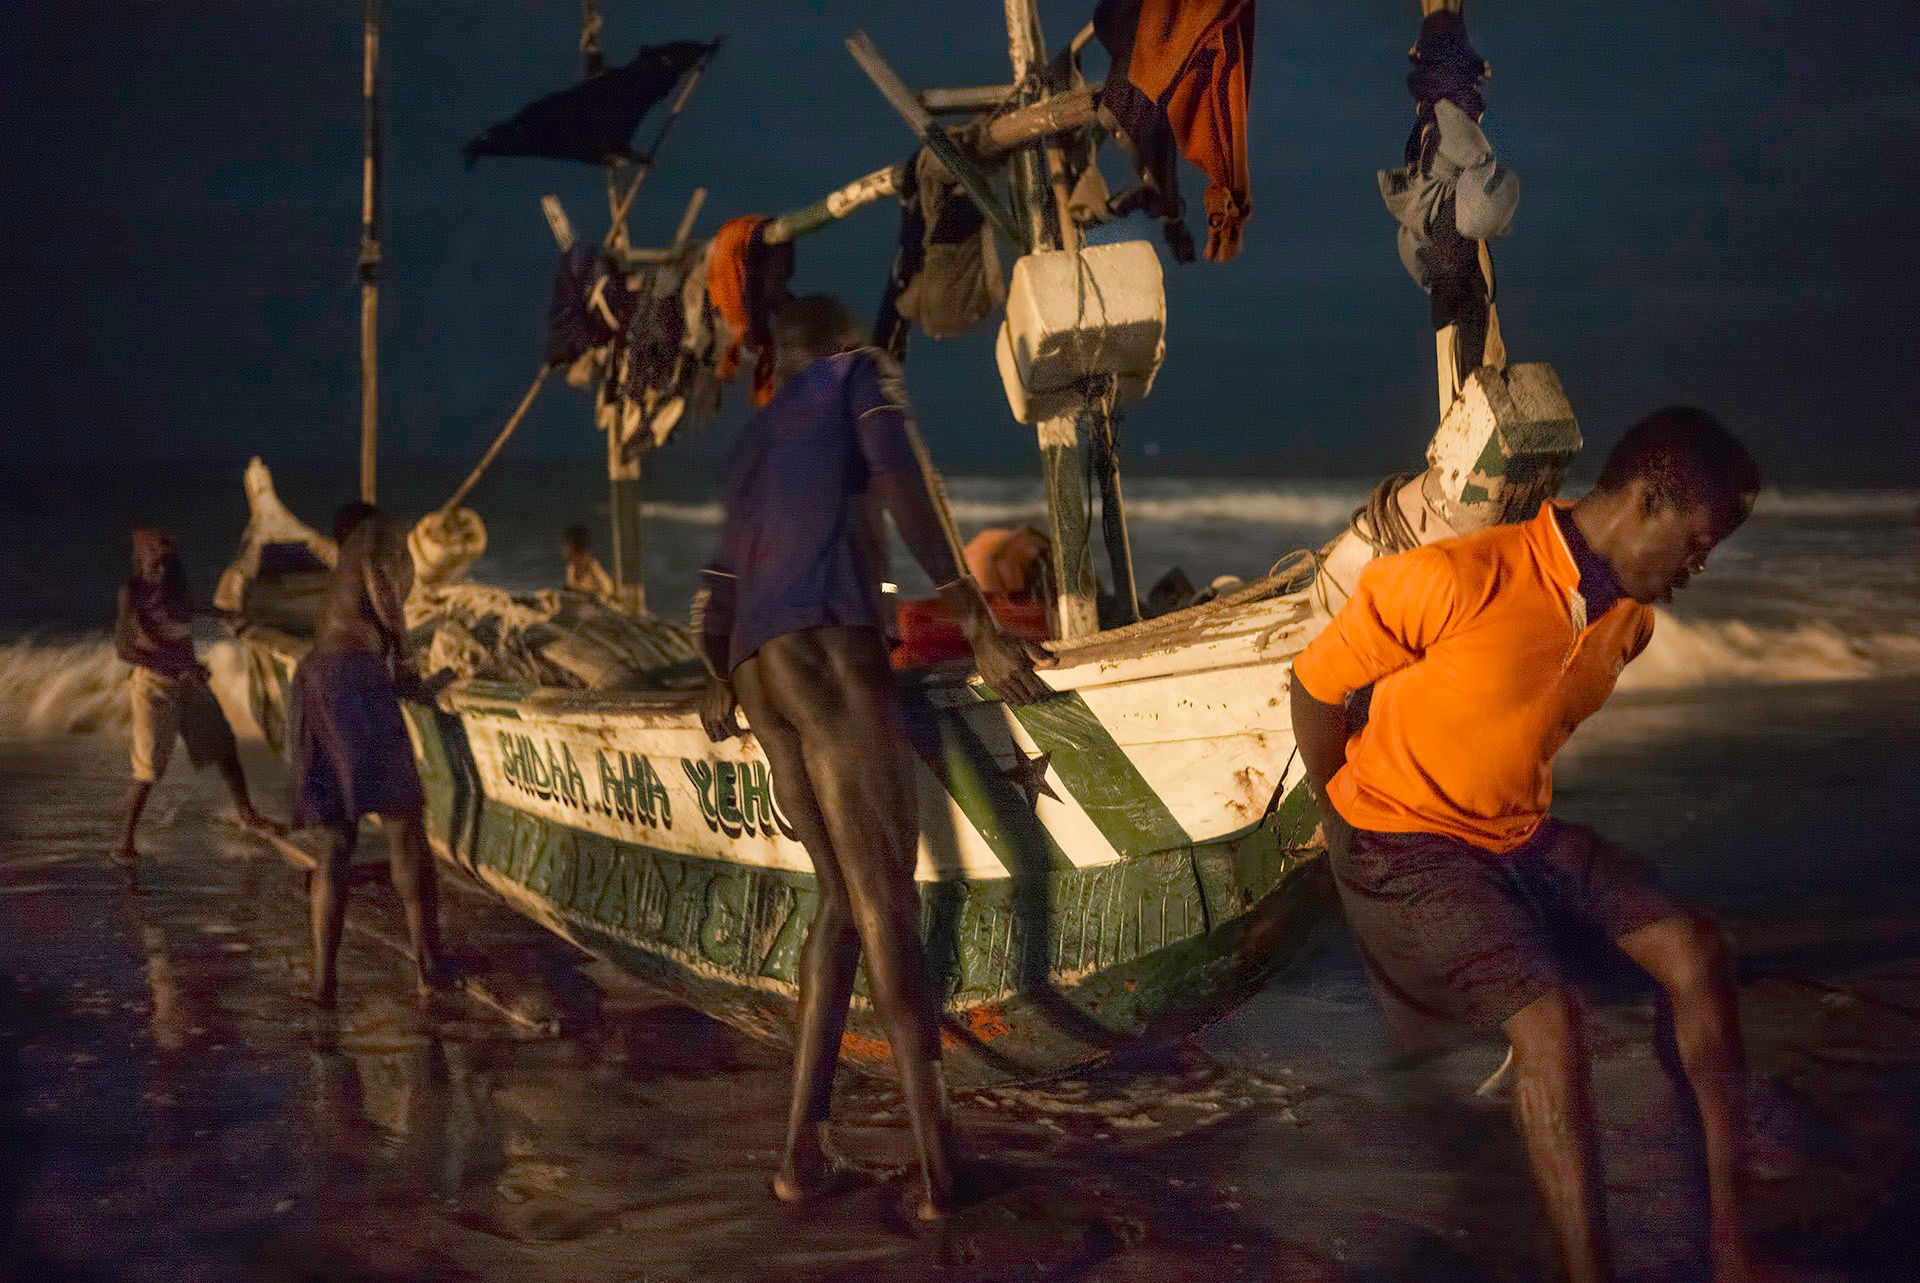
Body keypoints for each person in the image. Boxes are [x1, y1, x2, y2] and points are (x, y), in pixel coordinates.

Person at [1289, 408, 1767, 1283]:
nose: (1697, 570)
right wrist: (1344, 824)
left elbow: (1514, 733)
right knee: (1550, 1026)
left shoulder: (1629, 623)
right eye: (1695, 545)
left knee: (1696, 953)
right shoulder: (1451, 577)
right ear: (1647, 501)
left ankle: (1735, 1249)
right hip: (1403, 841)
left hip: (1515, 836)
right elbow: (1315, 687)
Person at [694, 294, 1052, 1218]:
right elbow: (906, 487)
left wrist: (713, 674)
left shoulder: (755, 440)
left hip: (757, 671)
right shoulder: (862, 376)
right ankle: (941, 1175)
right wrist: (975, 621)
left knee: (841, 903)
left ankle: (799, 1158)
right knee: (890, 901)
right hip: (826, 649)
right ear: (844, 344)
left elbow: (716, 587)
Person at [290, 508, 451, 1007]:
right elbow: (380, 579)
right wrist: (405, 658)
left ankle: (323, 983)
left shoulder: (339, 570)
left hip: (315, 677)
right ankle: (430, 968)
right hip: (352, 679)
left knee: (336, 840)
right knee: (404, 823)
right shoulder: (375, 531)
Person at [115, 528, 282, 864]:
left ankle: (247, 814)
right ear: (139, 558)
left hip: (189, 683)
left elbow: (200, 609)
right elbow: (125, 650)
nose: (159, 564)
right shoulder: (132, 593)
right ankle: (124, 841)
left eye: (165, 557)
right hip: (154, 688)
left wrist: (236, 616)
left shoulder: (177, 590)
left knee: (225, 748)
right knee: (147, 769)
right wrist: (183, 663)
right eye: (152, 556)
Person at [561, 524, 618, 600]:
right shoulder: (572, 567)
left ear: (573, 547)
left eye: (565, 545)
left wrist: (591, 595)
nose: (562, 549)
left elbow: (608, 590)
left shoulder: (592, 565)